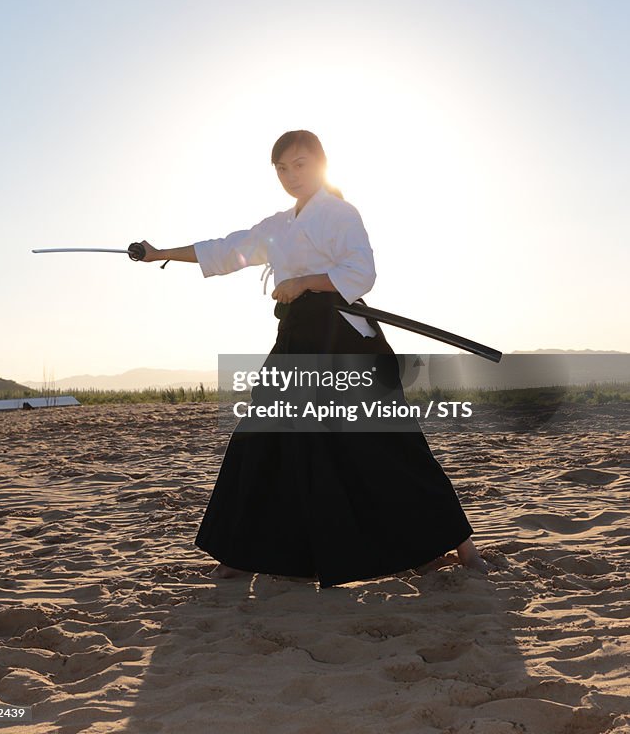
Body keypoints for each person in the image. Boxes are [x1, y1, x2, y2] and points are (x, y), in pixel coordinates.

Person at [136, 129, 491, 586]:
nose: (290, 175)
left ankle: (461, 546)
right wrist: (160, 253)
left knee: (387, 442)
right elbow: (228, 248)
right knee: (260, 437)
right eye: (282, 168)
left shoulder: (340, 213)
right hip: (296, 339)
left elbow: (362, 272)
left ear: (320, 164)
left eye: (299, 164)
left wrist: (305, 282)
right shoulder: (280, 225)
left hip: (344, 338)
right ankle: (242, 553)